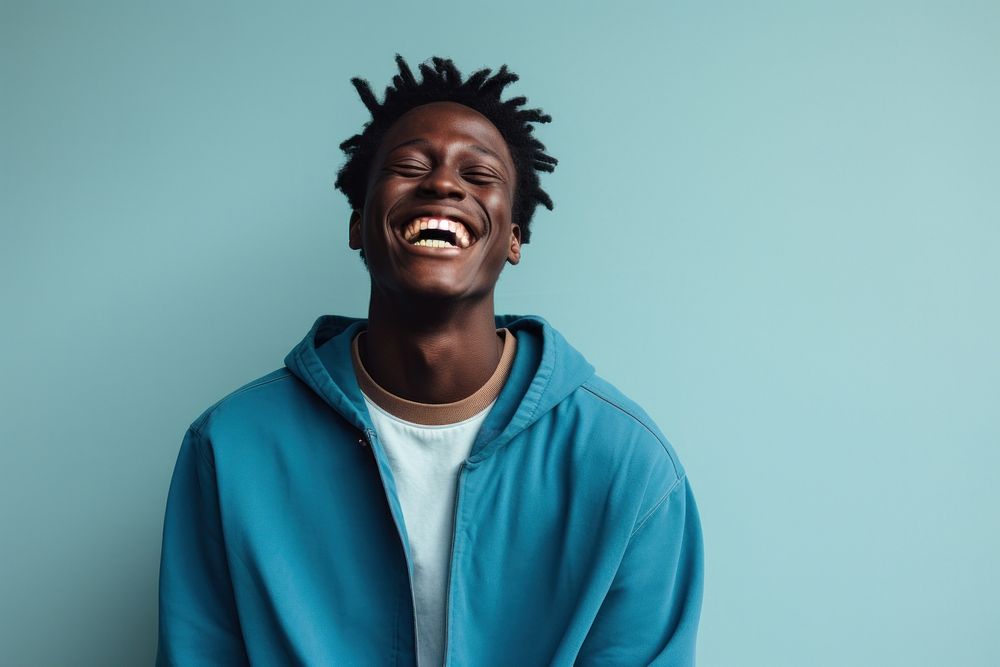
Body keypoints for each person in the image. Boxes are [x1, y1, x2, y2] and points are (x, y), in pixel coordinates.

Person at [156, 55, 704, 666]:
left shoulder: (627, 466)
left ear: (515, 236)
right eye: (410, 166)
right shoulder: (230, 448)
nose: (443, 184)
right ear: (358, 223)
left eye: (479, 174)